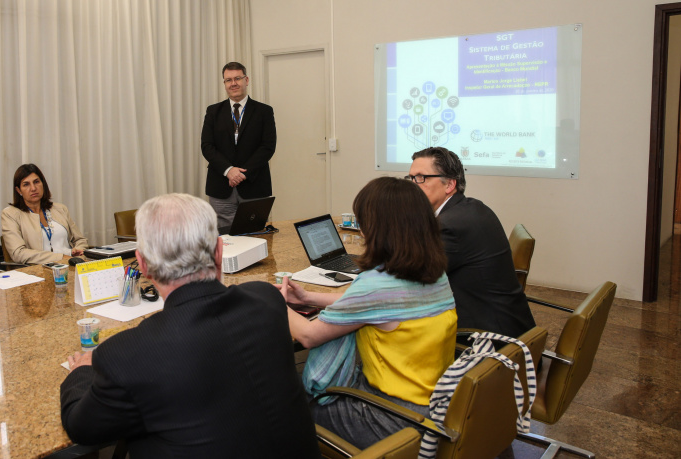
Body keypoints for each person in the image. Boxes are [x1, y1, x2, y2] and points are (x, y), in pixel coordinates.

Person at [60, 193, 320, 459]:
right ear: (220, 251)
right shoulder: (267, 300)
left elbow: (81, 429)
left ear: (142, 263)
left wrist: (81, 372)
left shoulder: (126, 355)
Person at [280, 177, 457, 449]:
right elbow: (374, 303)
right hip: (437, 407)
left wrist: (274, 301)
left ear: (378, 229)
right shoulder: (433, 273)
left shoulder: (376, 285)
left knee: (288, 407)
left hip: (392, 418)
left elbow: (309, 336)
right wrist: (307, 296)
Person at [408, 146, 535, 338]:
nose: (413, 185)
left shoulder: (450, 225)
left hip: (491, 342)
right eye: (411, 178)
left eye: (421, 178)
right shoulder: (470, 208)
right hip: (511, 326)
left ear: (449, 185)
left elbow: (413, 281)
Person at [201, 61, 277, 233]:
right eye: (228, 80)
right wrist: (229, 170)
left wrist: (242, 173)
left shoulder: (264, 111)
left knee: (255, 235)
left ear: (247, 80)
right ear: (224, 84)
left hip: (254, 184)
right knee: (224, 238)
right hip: (221, 186)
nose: (233, 83)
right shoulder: (213, 111)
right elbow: (207, 146)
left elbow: (268, 146)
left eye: (237, 78)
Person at [0, 164, 88, 265]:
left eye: (36, 182)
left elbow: (80, 239)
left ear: (43, 184)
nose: (33, 188)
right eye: (26, 184)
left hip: (72, 265)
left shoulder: (60, 209)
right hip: (39, 270)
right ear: (19, 190)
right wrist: (61, 257)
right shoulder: (10, 214)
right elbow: (18, 253)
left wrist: (79, 252)